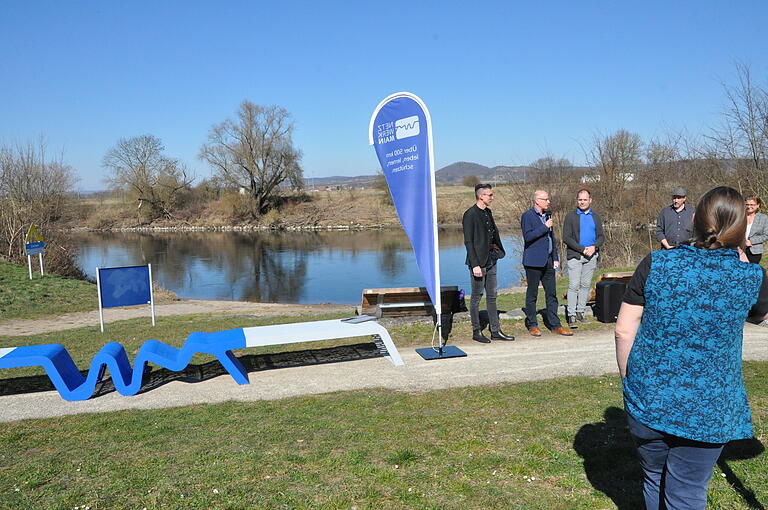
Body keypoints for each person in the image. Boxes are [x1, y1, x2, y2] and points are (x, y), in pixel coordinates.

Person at [615, 186, 768, 510]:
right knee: (686, 492)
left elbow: (623, 330)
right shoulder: (751, 277)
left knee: (654, 478)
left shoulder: (656, 263)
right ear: (743, 228)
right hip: (709, 406)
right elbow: (761, 315)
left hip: (649, 396)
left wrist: (630, 377)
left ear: (695, 219)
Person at [462, 183, 514, 343]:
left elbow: (492, 235)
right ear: (481, 196)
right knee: (476, 297)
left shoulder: (488, 212)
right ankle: (476, 331)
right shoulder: (470, 214)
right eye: (490, 195)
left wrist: (497, 251)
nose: (492, 197)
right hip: (478, 262)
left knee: (492, 296)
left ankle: (495, 330)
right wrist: (475, 264)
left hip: (492, 259)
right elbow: (469, 242)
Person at [520, 189, 573, 336]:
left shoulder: (548, 216)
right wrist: (544, 227)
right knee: (532, 294)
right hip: (533, 262)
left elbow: (551, 240)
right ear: (537, 201)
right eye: (546, 199)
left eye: (548, 199)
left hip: (548, 261)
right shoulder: (528, 216)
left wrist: (555, 258)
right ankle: (532, 325)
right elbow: (528, 237)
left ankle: (555, 325)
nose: (548, 202)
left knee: (552, 294)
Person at [562, 189, 605, 329]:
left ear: (590, 200)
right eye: (580, 199)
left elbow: (601, 237)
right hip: (575, 256)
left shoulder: (596, 216)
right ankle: (571, 315)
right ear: (577, 200)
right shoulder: (570, 216)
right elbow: (566, 238)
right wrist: (582, 249)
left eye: (585, 199)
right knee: (574, 286)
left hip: (592, 256)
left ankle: (581, 312)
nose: (582, 202)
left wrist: (594, 247)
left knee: (585, 285)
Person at [745, 194, 768, 264]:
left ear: (758, 205)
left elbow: (766, 235)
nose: (749, 206)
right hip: (738, 249)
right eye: (747, 204)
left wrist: (751, 241)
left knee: (752, 272)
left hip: (754, 251)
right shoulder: (739, 216)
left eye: (752, 204)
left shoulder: (763, 218)